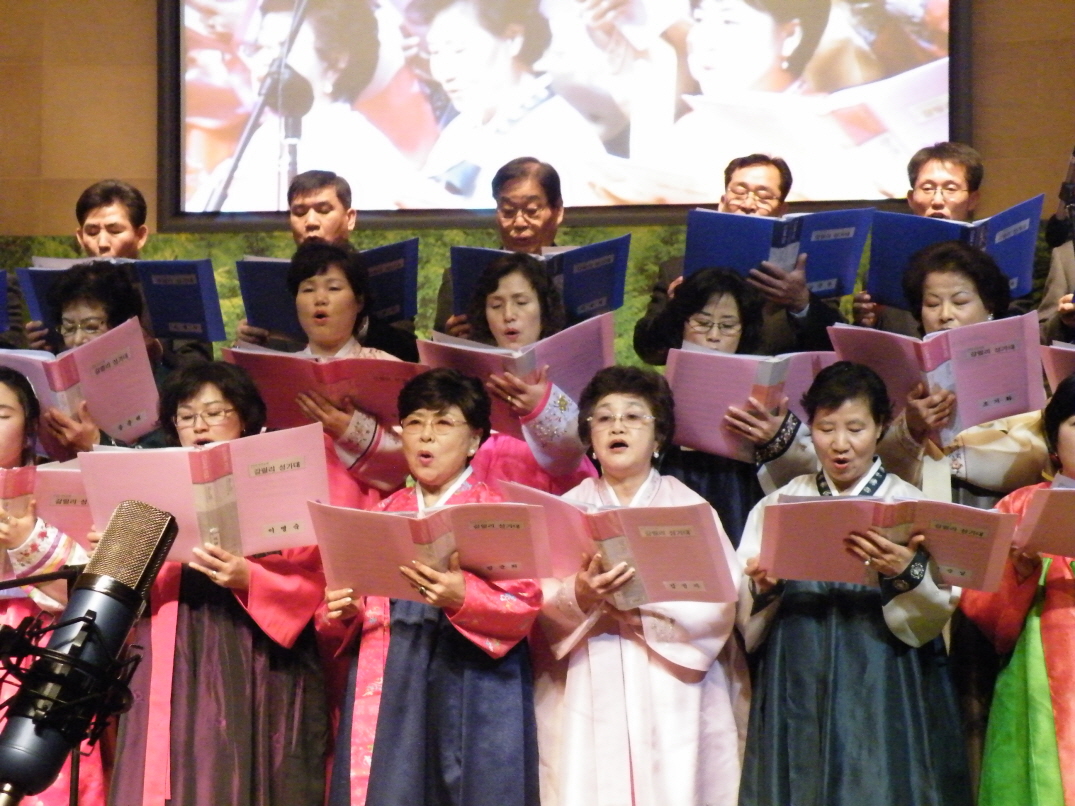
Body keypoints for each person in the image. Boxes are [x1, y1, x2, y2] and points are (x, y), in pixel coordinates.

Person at [737, 361, 971, 805]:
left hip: (884, 668)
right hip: (798, 663)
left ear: (881, 426)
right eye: (826, 429)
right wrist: (764, 586)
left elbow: (940, 607)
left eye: (856, 429)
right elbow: (743, 599)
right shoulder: (779, 504)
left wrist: (905, 571)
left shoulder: (909, 503)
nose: (840, 444)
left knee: (880, 778)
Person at [106, 362, 329, 806]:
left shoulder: (280, 478)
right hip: (170, 638)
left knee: (233, 762)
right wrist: (116, 545)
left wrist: (251, 578)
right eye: (186, 417)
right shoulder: (150, 482)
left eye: (213, 413)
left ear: (243, 418)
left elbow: (313, 580)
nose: (199, 426)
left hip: (250, 646)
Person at [322, 368, 542, 806]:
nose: (426, 436)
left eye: (443, 423)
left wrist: (463, 597)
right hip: (395, 673)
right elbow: (340, 610)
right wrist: (341, 610)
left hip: (474, 678)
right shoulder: (381, 514)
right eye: (415, 423)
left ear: (475, 440)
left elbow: (525, 604)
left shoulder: (495, 512)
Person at [533, 365, 746, 806]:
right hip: (587, 670)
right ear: (589, 436)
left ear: (659, 436)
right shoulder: (567, 508)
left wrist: (642, 611)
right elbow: (539, 598)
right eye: (604, 417)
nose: (617, 427)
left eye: (633, 416)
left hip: (671, 677)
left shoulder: (688, 508)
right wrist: (580, 593)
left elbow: (721, 600)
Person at [196, 0, 433, 213]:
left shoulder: (354, 141)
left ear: (337, 61)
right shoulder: (262, 138)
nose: (265, 61)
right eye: (259, 49)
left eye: (282, 48)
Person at [960, 372, 1075, 805]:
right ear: (1054, 438)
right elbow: (983, 612)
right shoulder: (1019, 506)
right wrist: (1019, 572)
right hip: (1037, 680)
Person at [0, 367, 102, 806]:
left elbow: (85, 590)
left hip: (40, 643)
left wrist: (27, 541)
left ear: (28, 429)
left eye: (1, 414)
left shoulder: (63, 484)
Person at [634, 153, 845, 364]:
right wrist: (675, 310)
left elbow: (836, 349)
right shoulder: (679, 270)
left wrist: (801, 302)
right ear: (722, 203)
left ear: (782, 210)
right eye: (739, 192)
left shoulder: (804, 276)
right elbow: (649, 352)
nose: (748, 204)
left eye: (764, 196)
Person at [635, 267, 791, 545]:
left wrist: (773, 437)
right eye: (702, 323)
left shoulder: (764, 387)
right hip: (674, 479)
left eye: (728, 326)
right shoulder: (653, 391)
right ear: (681, 323)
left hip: (738, 488)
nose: (714, 336)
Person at [415, 0, 607, 206]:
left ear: (513, 39)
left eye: (459, 50)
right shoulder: (461, 128)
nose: (444, 72)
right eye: (435, 52)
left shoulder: (561, 132)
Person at [27, 179, 213, 367]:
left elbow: (200, 364)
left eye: (114, 230)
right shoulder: (66, 289)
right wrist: (44, 350)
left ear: (140, 236)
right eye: (92, 232)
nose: (102, 243)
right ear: (80, 237)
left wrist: (157, 351)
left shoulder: (174, 289)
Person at [460, 252, 595, 493]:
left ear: (543, 308)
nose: (508, 315)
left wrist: (541, 408)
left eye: (521, 302)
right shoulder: (467, 372)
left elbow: (575, 447)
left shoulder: (573, 363)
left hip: (562, 485)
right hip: (484, 476)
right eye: (496, 305)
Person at [237, 183, 419, 359]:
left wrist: (356, 322)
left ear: (350, 218)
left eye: (323, 210)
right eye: (299, 213)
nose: (311, 222)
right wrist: (247, 340)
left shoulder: (380, 273)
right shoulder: (271, 280)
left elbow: (408, 351)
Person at [37, 261, 168, 458]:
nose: (77, 340)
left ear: (124, 328)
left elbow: (158, 460)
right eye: (69, 328)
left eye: (91, 327)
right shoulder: (63, 391)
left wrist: (97, 444)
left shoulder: (167, 388)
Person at [854, 142, 985, 335]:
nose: (937, 200)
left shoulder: (992, 257)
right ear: (911, 199)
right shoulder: (886, 262)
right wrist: (868, 321)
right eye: (927, 188)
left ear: (972, 199)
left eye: (950, 189)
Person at [434, 157, 564, 336]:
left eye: (532, 210)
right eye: (508, 211)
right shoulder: (459, 280)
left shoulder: (577, 275)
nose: (519, 222)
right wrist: (448, 339)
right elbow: (435, 349)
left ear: (558, 211)